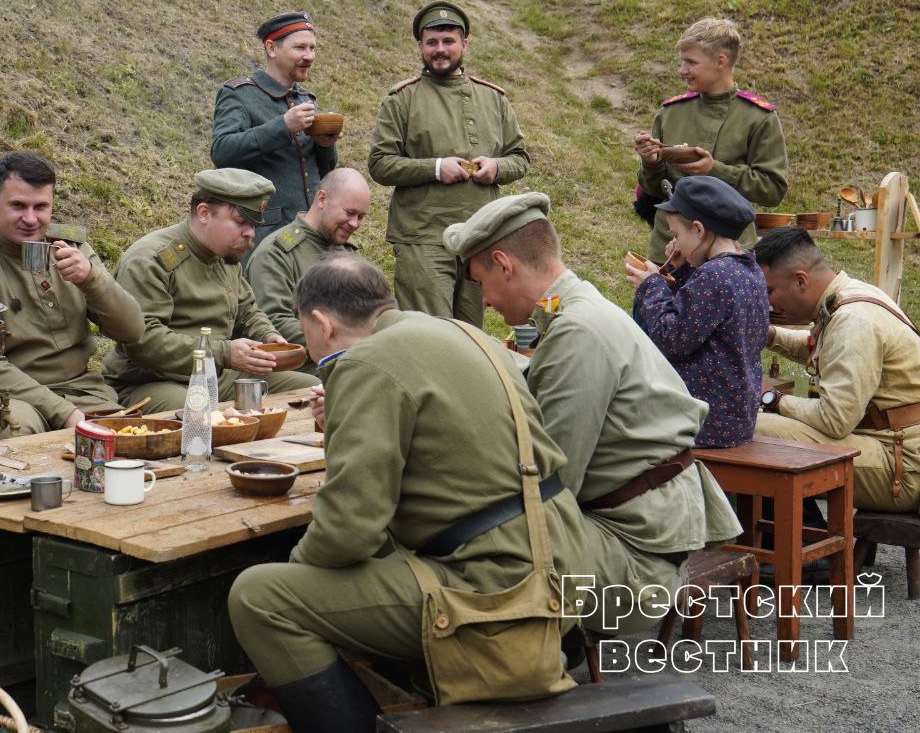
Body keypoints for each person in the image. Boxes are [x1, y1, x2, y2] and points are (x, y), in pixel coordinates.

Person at [228, 255, 596, 731]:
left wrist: (298, 574)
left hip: (499, 584)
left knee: (259, 597)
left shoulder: (367, 361)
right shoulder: (464, 333)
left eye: (308, 332)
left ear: (321, 322)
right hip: (565, 557)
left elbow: (347, 532)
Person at [444, 193, 741, 636]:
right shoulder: (570, 304)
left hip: (636, 559)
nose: (483, 301)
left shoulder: (577, 332)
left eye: (479, 282)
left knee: (468, 545)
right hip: (639, 532)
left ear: (504, 264)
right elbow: (534, 359)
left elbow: (550, 483)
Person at [102, 169, 320, 411]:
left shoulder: (224, 254)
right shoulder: (150, 259)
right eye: (240, 222)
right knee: (200, 414)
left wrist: (268, 338)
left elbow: (247, 311)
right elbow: (145, 341)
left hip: (215, 375)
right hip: (152, 381)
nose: (250, 233)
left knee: (309, 390)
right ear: (204, 213)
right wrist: (224, 353)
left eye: (253, 224)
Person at [369, 0, 530, 326]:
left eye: (448, 41)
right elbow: (380, 164)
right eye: (432, 43)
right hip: (424, 238)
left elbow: (520, 158)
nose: (439, 50)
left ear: (464, 44)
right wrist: (435, 168)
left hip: (479, 238)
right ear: (420, 46)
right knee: (430, 334)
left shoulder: (493, 98)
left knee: (471, 335)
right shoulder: (402, 98)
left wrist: (496, 167)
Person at [0, 151, 144, 439]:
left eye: (40, 207)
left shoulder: (73, 250)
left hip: (80, 388)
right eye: (18, 206)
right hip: (10, 394)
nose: (30, 218)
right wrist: (63, 413)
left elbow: (133, 329)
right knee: (16, 431)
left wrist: (91, 279)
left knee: (124, 438)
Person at [754, 227, 920, 513]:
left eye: (770, 290)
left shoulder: (853, 321)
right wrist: (770, 336)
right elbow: (821, 347)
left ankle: (800, 536)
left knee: (751, 427)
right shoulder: (852, 295)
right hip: (894, 449)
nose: (769, 303)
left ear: (801, 280)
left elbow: (834, 421)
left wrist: (775, 400)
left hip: (903, 469)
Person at [626, 177, 770, 447]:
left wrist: (652, 285)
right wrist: (682, 270)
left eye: (677, 235)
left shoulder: (715, 276)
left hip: (704, 421)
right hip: (735, 418)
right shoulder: (746, 270)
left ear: (699, 230)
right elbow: (699, 316)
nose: (674, 243)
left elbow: (671, 338)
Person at [634, 17, 788, 257]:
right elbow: (654, 188)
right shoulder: (671, 113)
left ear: (721, 61)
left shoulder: (758, 118)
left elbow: (773, 189)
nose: (682, 70)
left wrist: (714, 170)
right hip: (670, 252)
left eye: (690, 62)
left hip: (729, 254)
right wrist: (650, 161)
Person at [211, 11, 339, 247]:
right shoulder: (239, 94)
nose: (309, 56)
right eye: (300, 48)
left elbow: (324, 172)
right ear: (271, 48)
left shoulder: (305, 100)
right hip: (264, 236)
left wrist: (325, 146)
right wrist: (283, 126)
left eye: (312, 48)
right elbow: (221, 152)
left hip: (310, 232)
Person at [245, 168, 371, 374]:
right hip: (303, 369)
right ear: (322, 199)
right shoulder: (276, 253)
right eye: (349, 213)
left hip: (351, 362)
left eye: (361, 217)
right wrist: (347, 344)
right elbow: (274, 321)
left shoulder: (347, 252)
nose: (355, 224)